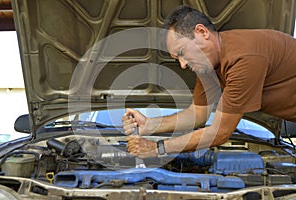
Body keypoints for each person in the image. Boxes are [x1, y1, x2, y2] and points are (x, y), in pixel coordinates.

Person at [122, 5, 296, 158]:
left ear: (202, 32)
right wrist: (150, 125)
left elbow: (219, 132)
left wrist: (157, 148)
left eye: (182, 52)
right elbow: (198, 114)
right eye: (177, 59)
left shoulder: (244, 58)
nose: (182, 65)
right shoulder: (208, 64)